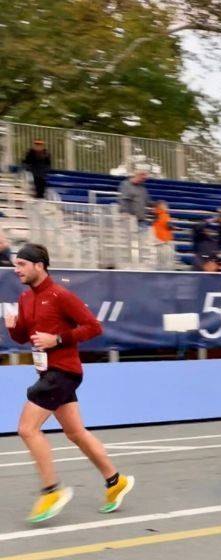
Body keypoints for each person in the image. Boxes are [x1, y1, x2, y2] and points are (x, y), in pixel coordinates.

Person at [4, 244, 134, 523]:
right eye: (16, 265)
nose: (16, 270)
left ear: (39, 266)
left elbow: (93, 327)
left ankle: (51, 490)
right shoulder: (26, 298)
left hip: (63, 371)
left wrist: (57, 340)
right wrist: (12, 326)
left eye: (22, 265)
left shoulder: (61, 295)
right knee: (76, 433)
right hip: (47, 373)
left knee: (27, 429)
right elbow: (21, 338)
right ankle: (116, 481)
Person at [151, 201, 176, 269]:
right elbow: (169, 225)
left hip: (157, 242)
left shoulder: (156, 217)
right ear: (161, 207)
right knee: (165, 264)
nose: (167, 208)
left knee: (159, 263)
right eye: (165, 206)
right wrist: (173, 227)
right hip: (164, 243)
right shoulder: (165, 215)